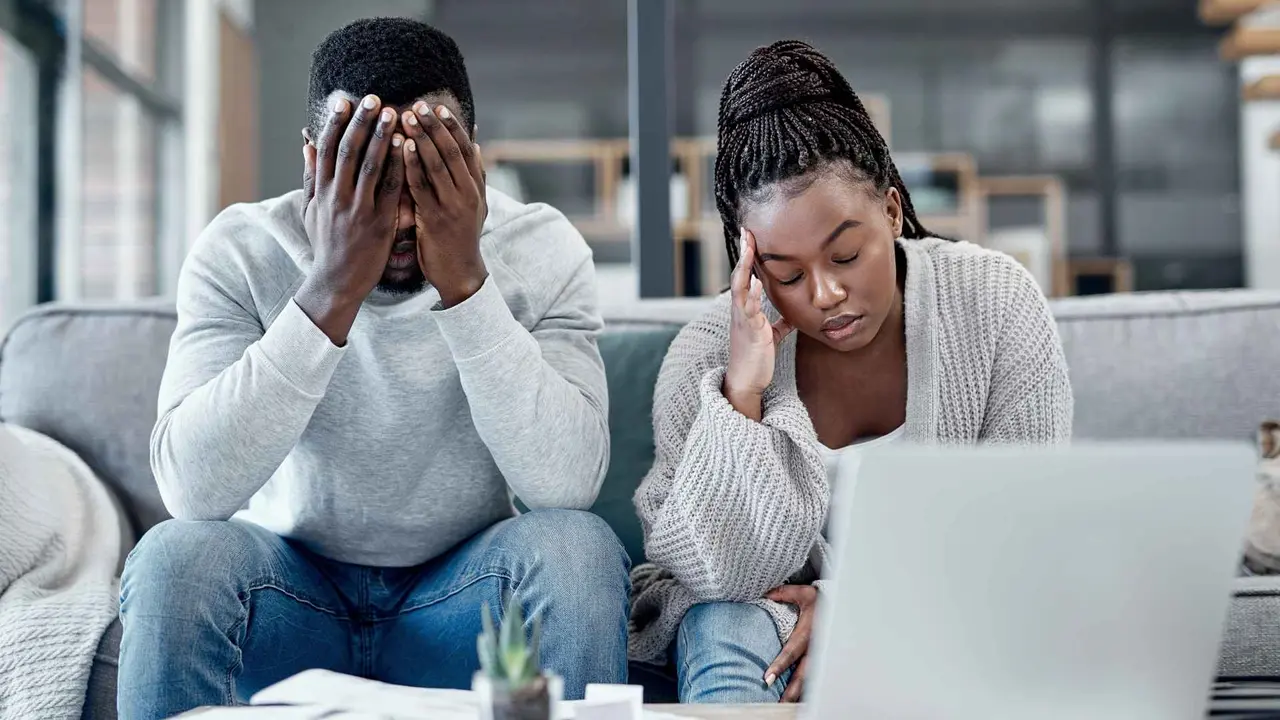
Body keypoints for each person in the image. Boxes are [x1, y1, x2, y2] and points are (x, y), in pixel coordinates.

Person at [119, 18, 629, 718]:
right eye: (364, 173)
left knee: (577, 551)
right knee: (175, 558)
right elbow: (192, 491)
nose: (397, 217)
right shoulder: (240, 250)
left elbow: (564, 487)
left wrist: (468, 286)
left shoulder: (542, 249)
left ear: (470, 162)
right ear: (311, 162)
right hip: (290, 599)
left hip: (462, 603)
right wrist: (330, 286)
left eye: (424, 174)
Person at [628, 40, 1073, 704]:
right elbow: (715, 577)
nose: (825, 294)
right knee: (720, 621)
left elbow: (1026, 530)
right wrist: (742, 398)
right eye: (786, 273)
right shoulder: (707, 357)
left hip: (951, 621)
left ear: (892, 212)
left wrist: (854, 608)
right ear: (749, 264)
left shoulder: (992, 300)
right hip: (772, 636)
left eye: (845, 254)